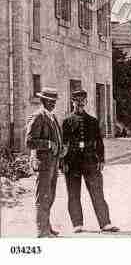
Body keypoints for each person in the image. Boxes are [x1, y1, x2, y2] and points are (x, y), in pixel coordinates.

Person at [61, 89, 119, 234]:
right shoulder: (66, 121)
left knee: (97, 192)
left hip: (90, 161)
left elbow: (99, 142)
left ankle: (105, 223)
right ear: (72, 102)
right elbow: (63, 143)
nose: (80, 104)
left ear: (86, 102)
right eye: (77, 101)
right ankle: (77, 224)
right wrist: (63, 162)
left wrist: (101, 159)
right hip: (72, 161)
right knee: (73, 193)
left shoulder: (92, 121)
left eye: (82, 101)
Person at [26, 87, 66, 238]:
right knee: (42, 196)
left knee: (50, 195)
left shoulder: (52, 117)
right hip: (43, 163)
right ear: (43, 101)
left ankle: (47, 226)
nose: (53, 104)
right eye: (50, 101)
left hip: (53, 163)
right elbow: (29, 142)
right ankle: (41, 230)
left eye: (54, 101)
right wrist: (48, 144)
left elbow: (57, 138)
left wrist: (62, 149)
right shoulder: (38, 117)